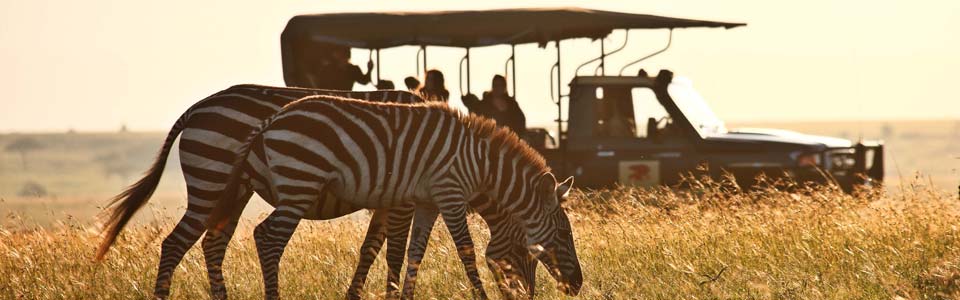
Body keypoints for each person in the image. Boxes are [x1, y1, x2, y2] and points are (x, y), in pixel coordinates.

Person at [307, 44, 373, 90]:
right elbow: (320, 85)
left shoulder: (353, 69)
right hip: (329, 100)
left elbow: (364, 81)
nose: (340, 55)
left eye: (343, 52)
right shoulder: (328, 69)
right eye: (339, 52)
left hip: (345, 100)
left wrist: (370, 69)